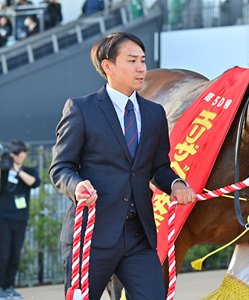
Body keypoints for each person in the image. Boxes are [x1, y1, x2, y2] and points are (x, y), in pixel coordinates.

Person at [49, 32, 197, 300]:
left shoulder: (154, 114)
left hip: (138, 236)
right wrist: (77, 185)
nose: (141, 68)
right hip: (91, 238)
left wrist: (175, 183)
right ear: (108, 66)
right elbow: (60, 168)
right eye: (132, 61)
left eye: (143, 60)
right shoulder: (81, 109)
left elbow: (159, 167)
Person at [0, 140, 41, 300]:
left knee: (15, 255)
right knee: (3, 254)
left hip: (20, 219)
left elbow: (35, 183)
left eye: (21, 152)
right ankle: (0, 287)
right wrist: (6, 168)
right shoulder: (3, 172)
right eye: (15, 153)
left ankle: (9, 286)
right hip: (3, 219)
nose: (19, 155)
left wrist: (17, 170)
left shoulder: (28, 171)